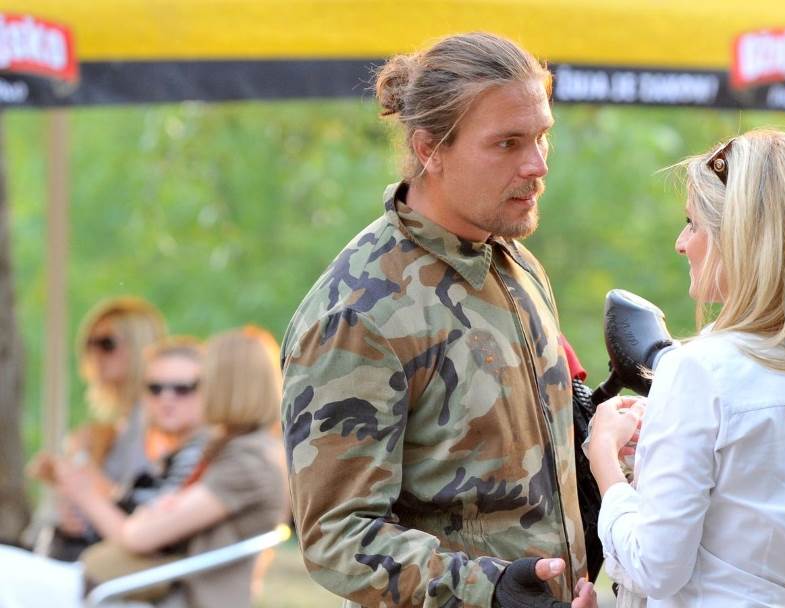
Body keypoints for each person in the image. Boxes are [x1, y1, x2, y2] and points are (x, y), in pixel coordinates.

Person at [281, 32, 595, 608]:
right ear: (430, 149)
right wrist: (488, 590)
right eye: (507, 143)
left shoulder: (513, 261)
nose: (537, 164)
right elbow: (336, 536)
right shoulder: (359, 311)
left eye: (542, 135)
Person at [587, 129, 785, 608]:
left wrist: (605, 457)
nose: (681, 243)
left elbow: (654, 567)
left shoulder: (696, 372)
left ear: (739, 239)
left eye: (693, 224)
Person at [0, 326, 288, 608]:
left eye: (195, 384)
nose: (169, 397)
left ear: (230, 386)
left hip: (156, 596)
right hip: (129, 586)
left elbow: (139, 536)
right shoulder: (240, 451)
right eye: (155, 388)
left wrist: (87, 492)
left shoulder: (249, 461)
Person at [26, 296, 168, 560]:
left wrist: (80, 462)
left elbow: (133, 500)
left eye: (106, 344)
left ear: (140, 346)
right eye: (89, 344)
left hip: (124, 563)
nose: (94, 354)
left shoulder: (154, 418)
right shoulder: (118, 424)